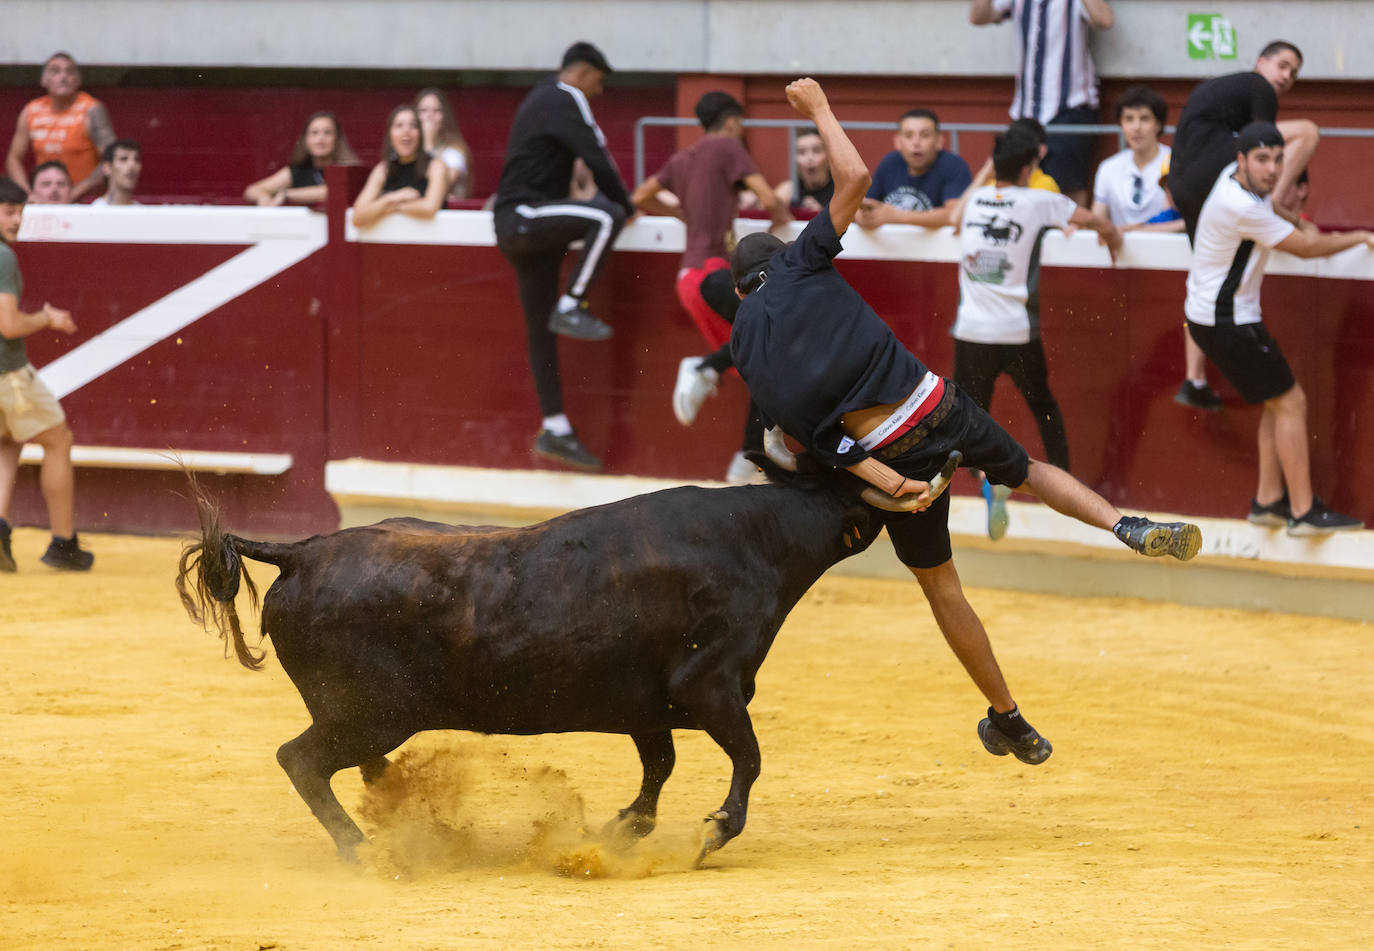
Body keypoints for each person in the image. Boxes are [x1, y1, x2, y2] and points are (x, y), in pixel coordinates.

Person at [729, 79, 1199, 766]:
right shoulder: (802, 260)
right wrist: (821, 109)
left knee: (940, 584)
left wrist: (891, 482)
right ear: (778, 259)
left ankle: (1010, 716)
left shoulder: (744, 345)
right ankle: (1121, 525)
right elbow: (857, 176)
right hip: (934, 403)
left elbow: (816, 437)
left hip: (881, 456)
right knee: (1031, 468)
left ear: (741, 294)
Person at [1185, 122, 1372, 536]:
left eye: (1277, 159)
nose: (1272, 169)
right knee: (1292, 402)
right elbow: (1306, 250)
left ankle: (1269, 501)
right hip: (1226, 322)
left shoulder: (1232, 181)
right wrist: (1360, 236)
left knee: (1278, 399)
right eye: (1262, 160)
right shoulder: (1241, 207)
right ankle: (1303, 512)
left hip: (1224, 317)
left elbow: (1272, 209)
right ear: (1242, 161)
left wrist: (1294, 218)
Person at [947, 125, 1122, 540]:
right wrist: (1111, 235)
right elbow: (1094, 219)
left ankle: (987, 479)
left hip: (971, 332)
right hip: (1016, 332)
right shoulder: (1039, 201)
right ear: (1029, 168)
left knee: (967, 420)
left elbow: (952, 218)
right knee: (1043, 406)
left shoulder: (972, 201)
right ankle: (1063, 482)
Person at [631, 91, 791, 484]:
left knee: (762, 358)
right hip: (716, 272)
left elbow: (640, 196)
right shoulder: (727, 146)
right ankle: (706, 368)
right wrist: (782, 217)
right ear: (733, 121)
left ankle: (750, 458)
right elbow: (770, 198)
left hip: (689, 279)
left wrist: (683, 213)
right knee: (768, 336)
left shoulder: (682, 158)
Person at [492, 41, 634, 472]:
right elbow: (597, 157)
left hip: (519, 226)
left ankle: (556, 426)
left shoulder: (540, 98)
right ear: (583, 71)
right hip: (525, 215)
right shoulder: (565, 96)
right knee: (607, 217)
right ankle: (573, 304)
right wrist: (626, 206)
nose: (600, 90)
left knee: (540, 332)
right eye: (599, 80)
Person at [1090, 87, 1220, 412]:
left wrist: (1137, 230)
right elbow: (1098, 219)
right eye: (1129, 119)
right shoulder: (1109, 168)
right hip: (1122, 271)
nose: (1136, 127)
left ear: (1159, 125)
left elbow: (1192, 222)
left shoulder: (1178, 162)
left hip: (1172, 268)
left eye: (1144, 119)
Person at [0, 177, 93, 572]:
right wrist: (46, 317)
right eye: (8, 211)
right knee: (57, 440)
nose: (17, 219)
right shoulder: (2, 257)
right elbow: (7, 325)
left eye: (21, 211)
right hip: (9, 374)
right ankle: (63, 542)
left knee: (8, 441)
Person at [969, 0, 1114, 206]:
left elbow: (1104, 19)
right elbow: (979, 17)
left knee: (1068, 190)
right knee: (1014, 183)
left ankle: (1071, 238)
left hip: (1069, 106)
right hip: (1026, 110)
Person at [1171, 41, 1316, 231]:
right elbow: (1263, 140)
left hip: (1180, 187)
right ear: (1261, 62)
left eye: (1294, 74)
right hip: (1210, 169)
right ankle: (1270, 204)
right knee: (1306, 132)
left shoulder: (1225, 87)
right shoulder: (1260, 86)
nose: (1287, 76)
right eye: (1282, 66)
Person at [5, 52, 115, 203]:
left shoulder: (91, 109)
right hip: (45, 200)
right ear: (44, 80)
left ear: (78, 80)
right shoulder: (31, 111)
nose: (63, 77)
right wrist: (28, 193)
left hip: (87, 200)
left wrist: (75, 192)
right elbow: (13, 158)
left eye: (70, 71)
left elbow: (112, 158)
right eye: (55, 71)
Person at [855, 109, 971, 230]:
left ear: (939, 141)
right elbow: (866, 204)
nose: (916, 142)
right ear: (898, 142)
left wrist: (897, 217)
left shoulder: (953, 165)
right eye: (908, 135)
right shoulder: (889, 162)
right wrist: (862, 216)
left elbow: (954, 214)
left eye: (925, 135)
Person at [350, 105, 447, 228]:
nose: (406, 131)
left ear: (420, 135)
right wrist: (392, 198)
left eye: (413, 126)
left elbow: (429, 208)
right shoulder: (383, 169)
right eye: (399, 126)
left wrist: (392, 206)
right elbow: (358, 216)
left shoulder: (436, 166)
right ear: (390, 135)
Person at [243, 111, 358, 207]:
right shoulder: (298, 171)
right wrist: (263, 196)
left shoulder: (350, 170)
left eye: (327, 133)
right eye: (314, 133)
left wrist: (286, 194)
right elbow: (251, 190)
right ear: (305, 140)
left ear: (337, 139)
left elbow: (335, 192)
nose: (320, 139)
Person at [415, 88, 474, 201]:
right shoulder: (409, 148)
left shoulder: (455, 150)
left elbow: (437, 184)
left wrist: (428, 141)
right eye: (423, 110)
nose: (430, 116)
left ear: (445, 116)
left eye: (436, 110)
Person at [774, 126, 833, 212]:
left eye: (816, 150)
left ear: (828, 156)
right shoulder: (788, 191)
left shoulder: (842, 190)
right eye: (801, 152)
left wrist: (823, 213)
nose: (809, 158)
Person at [90, 139, 142, 206]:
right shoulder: (94, 212)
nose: (132, 165)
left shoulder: (144, 213)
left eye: (136, 159)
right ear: (107, 168)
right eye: (123, 159)